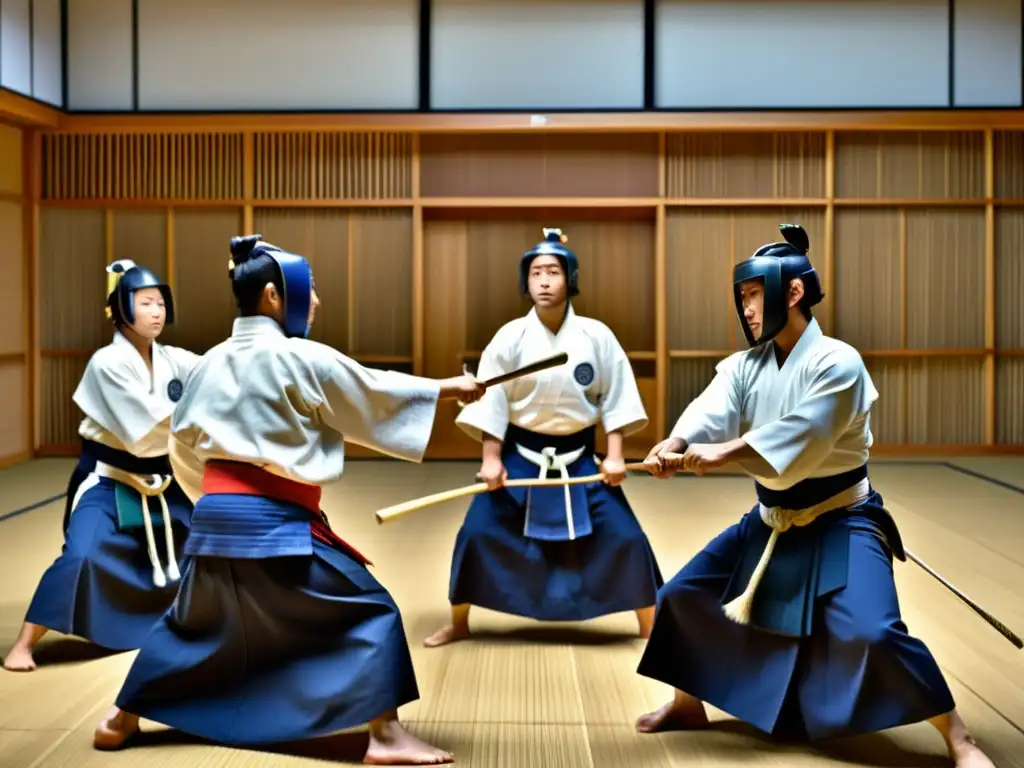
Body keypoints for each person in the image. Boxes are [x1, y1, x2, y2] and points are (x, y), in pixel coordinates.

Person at [93, 234, 484, 766]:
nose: (316, 300)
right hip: (275, 522)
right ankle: (386, 736)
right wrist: (447, 389)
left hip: (214, 518)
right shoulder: (299, 356)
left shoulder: (207, 363)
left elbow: (180, 446)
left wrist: (212, 504)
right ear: (275, 296)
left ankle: (121, 719)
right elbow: (371, 390)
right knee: (372, 610)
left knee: (194, 621)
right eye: (311, 289)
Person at [634, 224, 994, 768]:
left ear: (792, 292)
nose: (747, 308)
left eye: (754, 294)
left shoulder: (838, 362)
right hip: (771, 518)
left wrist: (722, 454)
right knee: (680, 598)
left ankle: (958, 737)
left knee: (873, 631)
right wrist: (678, 442)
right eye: (743, 297)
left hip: (841, 519)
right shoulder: (746, 365)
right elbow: (712, 406)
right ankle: (688, 704)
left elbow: (803, 439)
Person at [425, 228, 663, 648]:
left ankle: (651, 626)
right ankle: (460, 622)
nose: (545, 281)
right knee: (477, 532)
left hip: (579, 459)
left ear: (570, 278)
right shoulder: (510, 336)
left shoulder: (596, 336)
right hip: (521, 457)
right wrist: (491, 459)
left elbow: (616, 397)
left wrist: (616, 457)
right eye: (537, 273)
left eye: (554, 271)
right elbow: (493, 400)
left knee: (626, 536)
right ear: (526, 282)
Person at [3, 261, 199, 673]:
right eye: (145, 303)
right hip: (111, 482)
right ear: (122, 309)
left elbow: (212, 375)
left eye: (161, 303)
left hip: (167, 481)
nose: (156, 312)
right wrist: (194, 414)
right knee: (81, 556)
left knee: (210, 544)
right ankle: (24, 643)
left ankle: (199, 625)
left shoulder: (174, 359)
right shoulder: (107, 363)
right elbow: (141, 432)